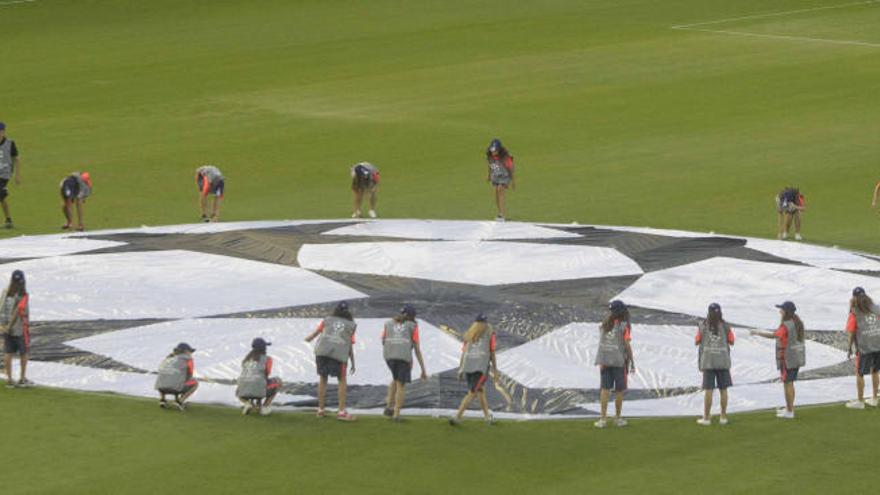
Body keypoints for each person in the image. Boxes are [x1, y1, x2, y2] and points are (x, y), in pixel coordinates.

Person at [749, 301, 806, 419]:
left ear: (786, 312)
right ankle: (790, 408)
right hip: (796, 357)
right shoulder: (797, 322)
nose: (780, 311)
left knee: (787, 384)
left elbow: (774, 335)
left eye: (782, 309)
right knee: (790, 383)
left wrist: (758, 332)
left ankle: (790, 412)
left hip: (787, 358)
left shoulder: (786, 324)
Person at [304, 301, 357, 421]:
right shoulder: (351, 325)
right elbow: (349, 345)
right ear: (348, 311)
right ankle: (341, 412)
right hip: (339, 354)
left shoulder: (327, 320)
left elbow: (314, 334)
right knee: (342, 380)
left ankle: (320, 410)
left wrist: (307, 339)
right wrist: (353, 362)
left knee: (323, 379)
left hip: (322, 352)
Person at [449, 314, 498, 425]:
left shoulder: (469, 335)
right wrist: (495, 371)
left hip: (468, 367)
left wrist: (461, 369)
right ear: (486, 322)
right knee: (472, 393)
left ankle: (487, 417)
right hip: (480, 368)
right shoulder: (490, 333)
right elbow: (492, 353)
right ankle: (457, 416)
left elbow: (464, 353)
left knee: (480, 390)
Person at [594, 300, 636, 428]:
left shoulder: (605, 323)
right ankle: (617, 418)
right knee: (619, 391)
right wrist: (632, 361)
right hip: (618, 362)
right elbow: (627, 344)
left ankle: (602, 419)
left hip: (604, 360)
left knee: (604, 390)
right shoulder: (624, 325)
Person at [382, 304, 427, 422]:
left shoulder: (388, 323)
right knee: (401, 385)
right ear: (412, 316)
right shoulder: (413, 326)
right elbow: (417, 348)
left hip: (389, 357)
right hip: (402, 357)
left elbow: (383, 340)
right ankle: (396, 414)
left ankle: (388, 407)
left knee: (395, 379)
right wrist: (423, 369)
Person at [695, 303, 735, 425]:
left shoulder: (703, 325)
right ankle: (723, 417)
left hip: (708, 361)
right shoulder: (725, 326)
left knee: (709, 390)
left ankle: (706, 418)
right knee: (723, 389)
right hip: (723, 361)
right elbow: (732, 341)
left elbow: (697, 341)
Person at [845, 287, 880, 409]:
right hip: (878, 344)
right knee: (875, 371)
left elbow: (851, 332)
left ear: (854, 297)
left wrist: (849, 348)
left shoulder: (854, 312)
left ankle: (860, 401)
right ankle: (875, 398)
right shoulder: (877, 308)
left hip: (865, 346)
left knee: (860, 373)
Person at [235, 337, 282, 416]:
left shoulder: (246, 359)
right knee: (278, 381)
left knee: (251, 384)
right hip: (258, 387)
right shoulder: (267, 359)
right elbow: (266, 374)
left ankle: (247, 403)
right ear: (263, 348)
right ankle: (265, 407)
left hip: (241, 390)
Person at [1, 270, 31, 388]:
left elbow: (1, 308)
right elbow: (19, 312)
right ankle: (22, 379)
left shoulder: (5, 292)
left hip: (5, 328)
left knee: (8, 353)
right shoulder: (23, 295)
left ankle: (9, 380)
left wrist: (3, 326)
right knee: (24, 353)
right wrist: (10, 325)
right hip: (19, 329)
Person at [154, 342, 199, 411]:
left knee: (168, 377)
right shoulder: (188, 360)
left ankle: (162, 399)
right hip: (175, 388)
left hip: (160, 387)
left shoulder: (168, 358)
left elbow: (161, 370)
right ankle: (180, 401)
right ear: (186, 351)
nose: (191, 353)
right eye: (190, 351)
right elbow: (189, 375)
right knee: (195, 383)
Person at [486, 139, 515, 222]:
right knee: (496, 192)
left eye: (495, 150)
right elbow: (489, 165)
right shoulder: (490, 155)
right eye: (492, 150)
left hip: (504, 176)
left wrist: (512, 181)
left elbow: (511, 168)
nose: (493, 152)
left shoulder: (505, 157)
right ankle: (499, 213)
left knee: (500, 190)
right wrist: (488, 175)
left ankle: (502, 214)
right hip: (495, 176)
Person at [0, 122, 21, 228]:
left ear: (3, 132)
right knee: (1, 197)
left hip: (5, 174)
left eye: (1, 131)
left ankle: (8, 220)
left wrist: (17, 175)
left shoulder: (10, 143)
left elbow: (16, 158)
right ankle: (8, 220)